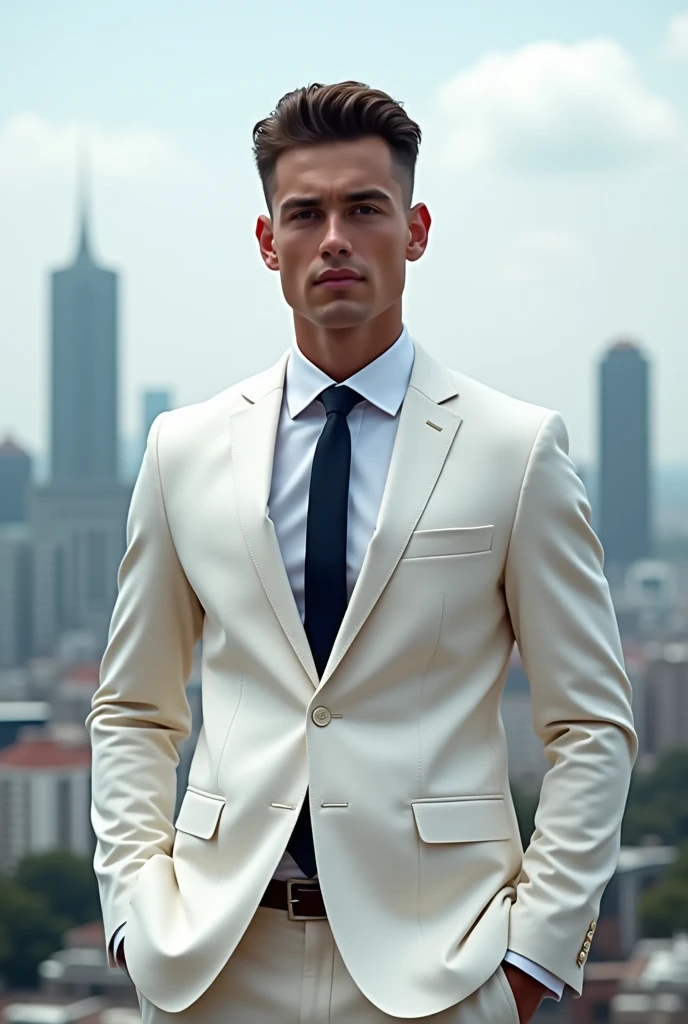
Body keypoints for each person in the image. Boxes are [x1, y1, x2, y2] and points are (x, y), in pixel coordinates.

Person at [87, 81, 637, 1023]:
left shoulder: (516, 450)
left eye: (364, 209)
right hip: (216, 963)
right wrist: (137, 918)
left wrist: (534, 959)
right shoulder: (184, 448)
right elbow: (134, 709)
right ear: (269, 244)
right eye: (304, 213)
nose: (334, 236)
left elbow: (590, 727)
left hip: (441, 969)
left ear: (415, 229)